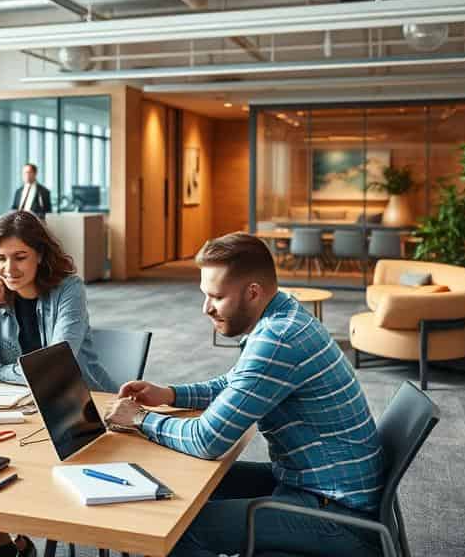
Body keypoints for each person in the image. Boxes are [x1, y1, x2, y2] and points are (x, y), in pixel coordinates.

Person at [104, 232, 385, 557]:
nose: (206, 308)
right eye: (205, 295)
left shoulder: (278, 339)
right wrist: (169, 394)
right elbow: (234, 383)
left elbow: (207, 441)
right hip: (310, 483)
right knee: (178, 484)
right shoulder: (284, 314)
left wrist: (139, 418)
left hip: (336, 513)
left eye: (216, 297)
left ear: (253, 292)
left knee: (177, 530)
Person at [0, 210, 116, 557]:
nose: (9, 269)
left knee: (4, 465)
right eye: (1, 258)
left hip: (79, 406)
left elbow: (58, 361)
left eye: (20, 257)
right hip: (24, 409)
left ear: (40, 254)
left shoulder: (69, 288)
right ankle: (8, 547)